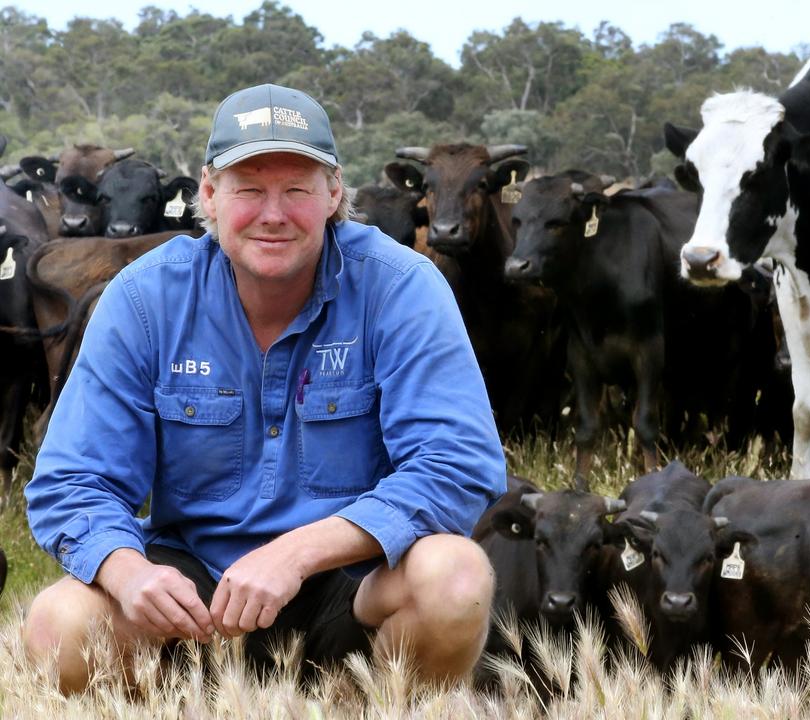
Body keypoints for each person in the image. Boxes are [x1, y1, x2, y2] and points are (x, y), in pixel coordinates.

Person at [22, 83, 506, 693]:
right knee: (56, 623)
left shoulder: (401, 286)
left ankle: (380, 704)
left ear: (334, 194)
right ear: (208, 194)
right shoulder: (145, 299)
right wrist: (128, 574)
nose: (273, 214)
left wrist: (296, 554)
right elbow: (71, 480)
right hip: (192, 597)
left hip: (352, 583)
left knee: (455, 576)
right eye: (248, 189)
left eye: (296, 189)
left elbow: (458, 464)